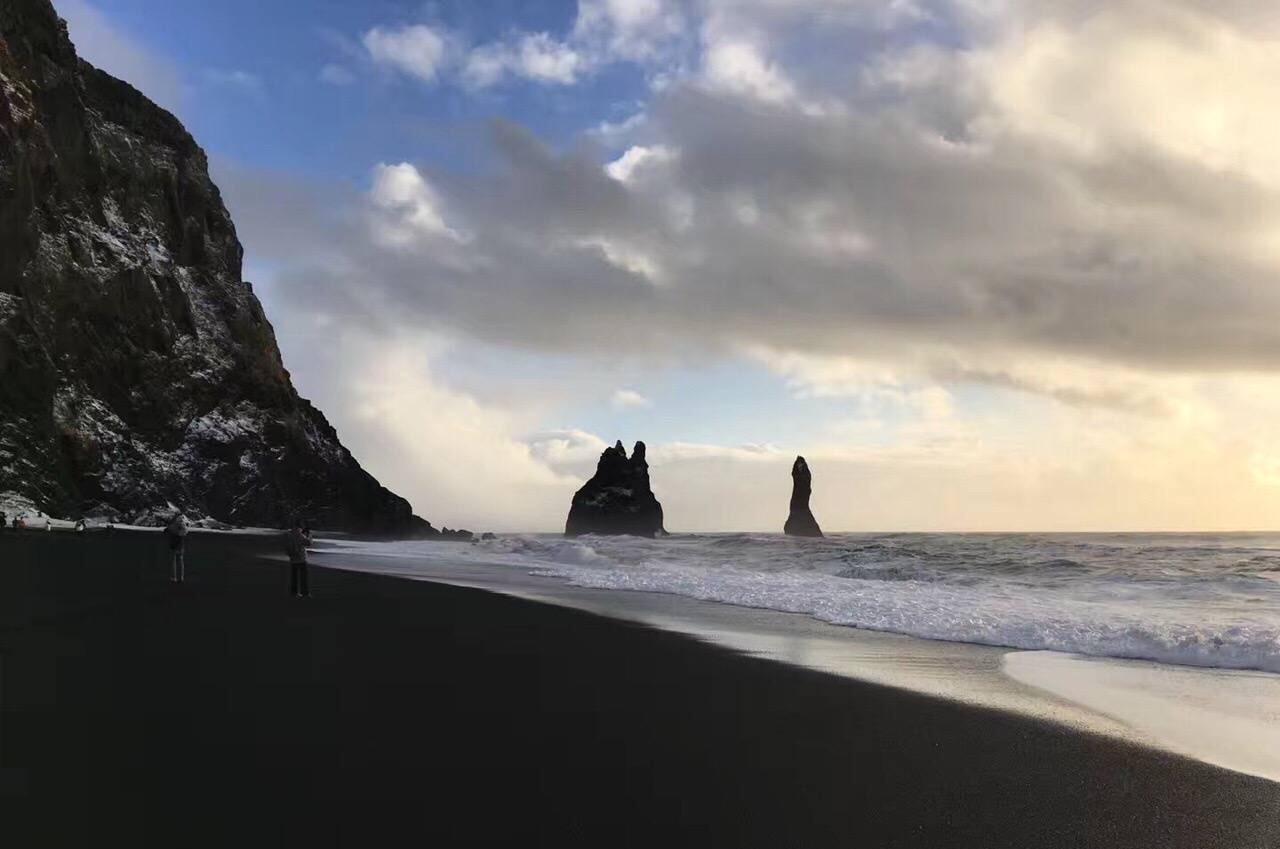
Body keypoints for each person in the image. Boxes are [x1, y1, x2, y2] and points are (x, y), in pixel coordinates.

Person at [285, 519, 311, 598]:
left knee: (294, 577)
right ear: (300, 526)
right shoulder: (300, 534)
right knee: (303, 577)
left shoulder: (290, 534)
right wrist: (308, 536)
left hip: (293, 558)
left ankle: (294, 592)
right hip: (301, 558)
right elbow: (308, 543)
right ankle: (305, 593)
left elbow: (287, 546)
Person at [165, 513, 189, 583]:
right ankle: (180, 577)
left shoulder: (175, 524)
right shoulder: (182, 524)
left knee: (174, 562)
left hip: (175, 545)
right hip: (180, 545)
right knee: (180, 561)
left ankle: (175, 577)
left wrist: (173, 532)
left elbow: (168, 530)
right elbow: (184, 532)